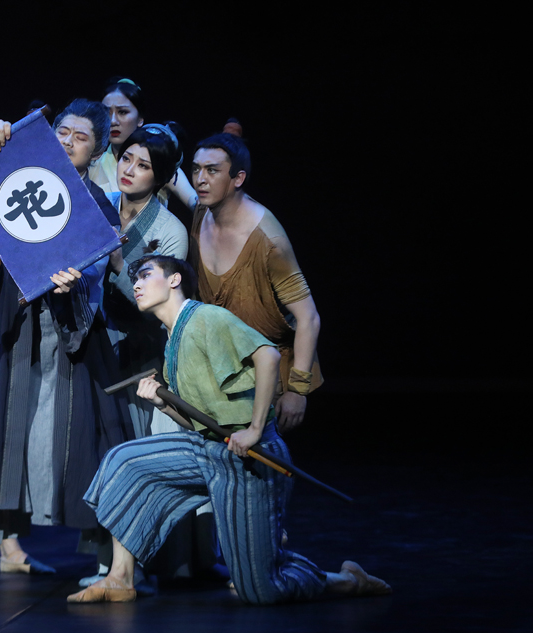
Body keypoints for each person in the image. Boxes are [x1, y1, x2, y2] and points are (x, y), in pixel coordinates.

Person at [68, 254, 390, 604]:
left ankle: (345, 580)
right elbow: (194, 421)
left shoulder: (206, 317)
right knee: (126, 462)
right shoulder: (172, 339)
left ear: (174, 280)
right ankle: (121, 577)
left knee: (260, 591)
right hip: (208, 448)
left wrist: (254, 429)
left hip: (251, 456)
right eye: (135, 280)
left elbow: (268, 356)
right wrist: (162, 403)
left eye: (146, 275)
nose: (137, 285)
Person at [0, 99, 132, 585]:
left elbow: (97, 270)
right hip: (13, 327)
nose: (67, 142)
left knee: (88, 443)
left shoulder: (98, 206)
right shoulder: (22, 171)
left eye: (80, 138)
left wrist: (77, 284)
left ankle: (110, 566)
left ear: (98, 150)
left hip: (72, 337)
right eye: (61, 132)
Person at [186, 133, 321, 432]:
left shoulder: (269, 241)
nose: (200, 179)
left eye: (212, 170)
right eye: (196, 169)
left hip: (268, 373)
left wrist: (297, 390)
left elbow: (308, 317)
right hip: (224, 369)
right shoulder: (202, 211)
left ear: (238, 178)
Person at [103, 123, 188, 439]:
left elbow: (162, 306)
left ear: (160, 177)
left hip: (138, 347)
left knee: (130, 435)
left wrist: (118, 264)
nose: (129, 170)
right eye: (126, 159)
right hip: (92, 337)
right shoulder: (100, 203)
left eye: (143, 166)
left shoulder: (170, 230)